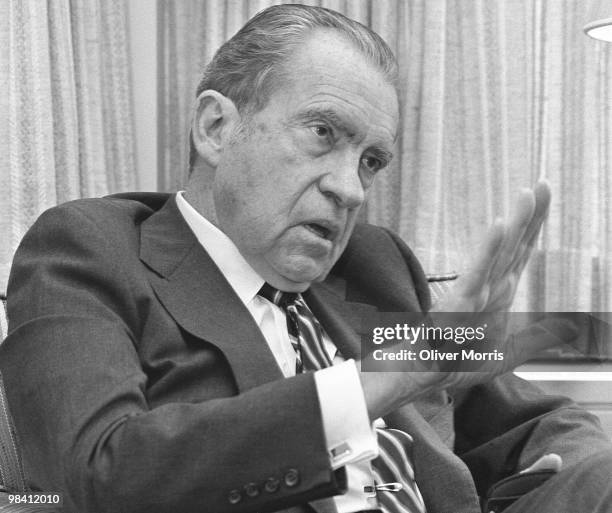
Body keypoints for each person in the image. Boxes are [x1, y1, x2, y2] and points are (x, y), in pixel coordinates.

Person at [1, 4, 611, 513]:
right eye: (323, 133)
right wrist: (378, 382)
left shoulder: (373, 268)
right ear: (216, 127)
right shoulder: (92, 250)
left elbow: (532, 421)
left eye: (371, 161)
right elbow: (96, 475)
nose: (350, 189)